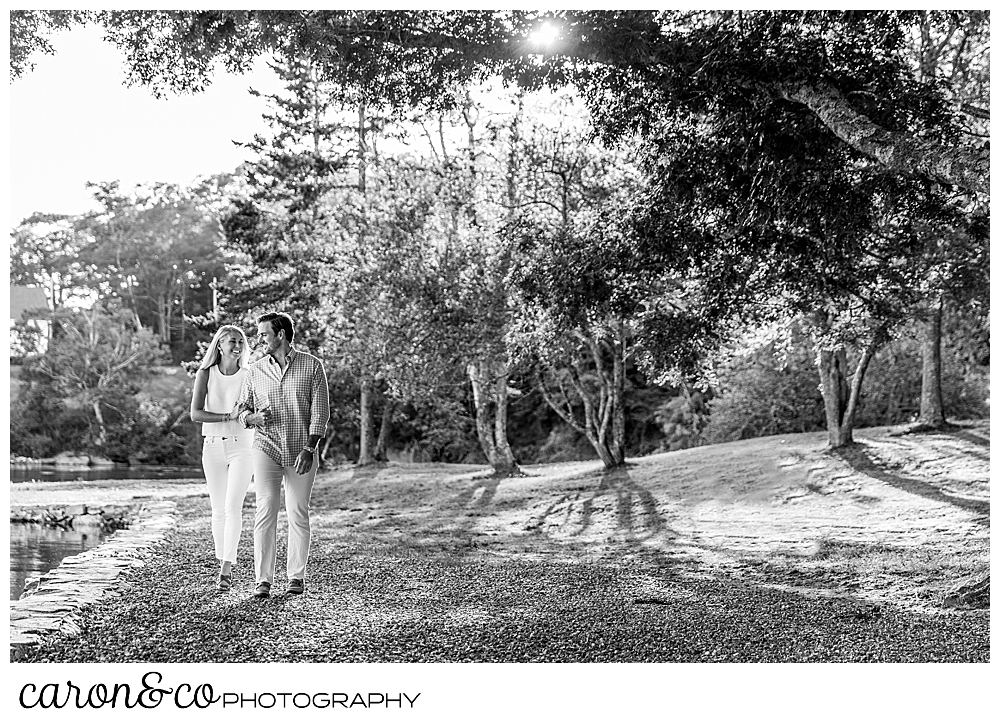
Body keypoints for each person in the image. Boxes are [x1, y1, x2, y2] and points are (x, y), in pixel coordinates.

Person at [238, 311, 330, 598]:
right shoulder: (255, 370)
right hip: (266, 447)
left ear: (280, 335)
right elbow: (242, 409)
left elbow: (321, 412)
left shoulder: (312, 366)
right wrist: (253, 419)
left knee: (297, 512)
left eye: (264, 333)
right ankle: (263, 580)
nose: (259, 338)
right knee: (265, 509)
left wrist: (309, 447)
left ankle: (295, 577)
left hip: (302, 450)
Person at [190, 324, 254, 593]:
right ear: (219, 345)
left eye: (240, 341)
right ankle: (221, 560)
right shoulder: (206, 374)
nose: (236, 346)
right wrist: (228, 416)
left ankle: (226, 568)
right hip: (213, 445)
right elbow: (195, 413)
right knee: (217, 510)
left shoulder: (250, 375)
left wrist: (248, 416)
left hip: (242, 446)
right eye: (230, 341)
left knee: (233, 508)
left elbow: (253, 411)